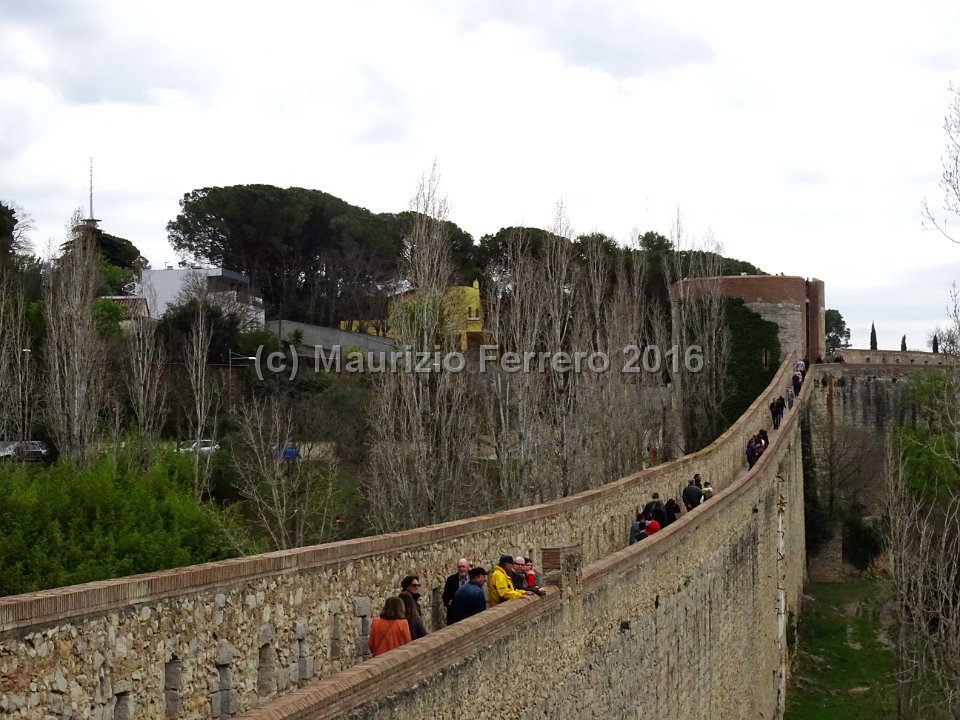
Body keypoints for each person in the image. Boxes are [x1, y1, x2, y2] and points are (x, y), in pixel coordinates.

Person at [442, 559, 471, 625]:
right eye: (459, 567)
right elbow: (445, 597)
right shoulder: (451, 580)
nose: (461, 569)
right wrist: (451, 603)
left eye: (463, 567)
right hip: (454, 617)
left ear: (467, 567)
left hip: (470, 615)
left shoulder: (473, 578)